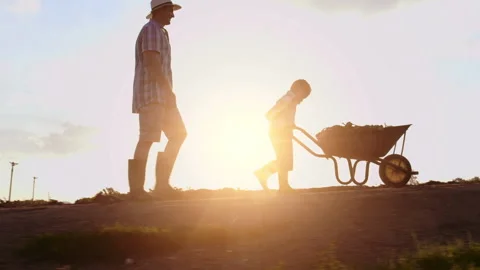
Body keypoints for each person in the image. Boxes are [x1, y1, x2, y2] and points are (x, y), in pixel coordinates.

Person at [129, 0, 187, 200]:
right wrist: (167, 90)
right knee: (147, 138)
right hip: (152, 94)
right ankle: (136, 190)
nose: (173, 15)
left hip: (163, 95)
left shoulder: (161, 32)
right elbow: (152, 63)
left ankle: (162, 185)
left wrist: (168, 93)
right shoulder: (151, 30)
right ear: (161, 10)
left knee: (178, 134)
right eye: (171, 10)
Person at [254, 79, 312, 192]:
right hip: (279, 132)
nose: (302, 100)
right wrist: (283, 125)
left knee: (285, 160)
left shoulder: (291, 101)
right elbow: (269, 114)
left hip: (283, 132)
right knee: (284, 159)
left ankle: (265, 174)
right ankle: (282, 186)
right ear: (298, 90)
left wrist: (291, 125)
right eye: (303, 96)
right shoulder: (287, 99)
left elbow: (285, 115)